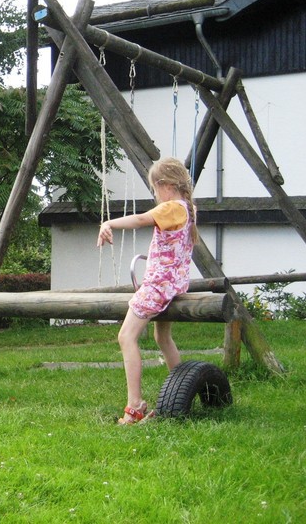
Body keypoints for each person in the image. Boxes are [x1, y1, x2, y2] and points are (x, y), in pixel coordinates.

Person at [96, 157, 198, 425]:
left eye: (155, 188)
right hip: (173, 284)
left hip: (158, 286)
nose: (155, 194)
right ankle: (181, 393)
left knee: (126, 337)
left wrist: (109, 223)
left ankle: (135, 405)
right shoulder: (187, 208)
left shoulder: (172, 207)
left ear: (166, 185)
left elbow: (141, 219)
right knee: (162, 338)